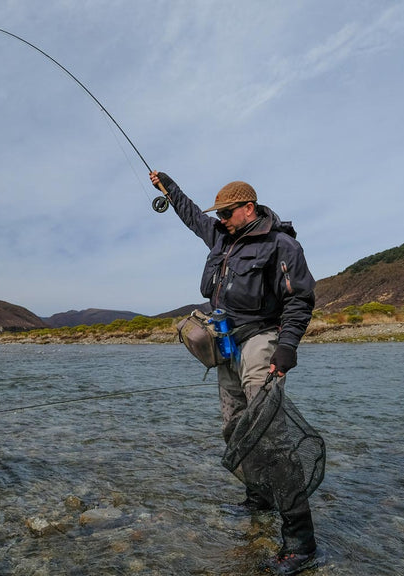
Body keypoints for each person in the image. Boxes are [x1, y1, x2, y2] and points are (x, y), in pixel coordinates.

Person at [151, 171, 319, 575]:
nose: (221, 218)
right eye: (219, 213)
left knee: (270, 434)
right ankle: (258, 499)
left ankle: (301, 542)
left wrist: (287, 347)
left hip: (262, 339)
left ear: (249, 208)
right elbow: (193, 217)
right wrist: (170, 189)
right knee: (236, 427)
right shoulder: (222, 236)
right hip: (225, 344)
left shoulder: (282, 244)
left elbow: (299, 300)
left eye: (227, 212)